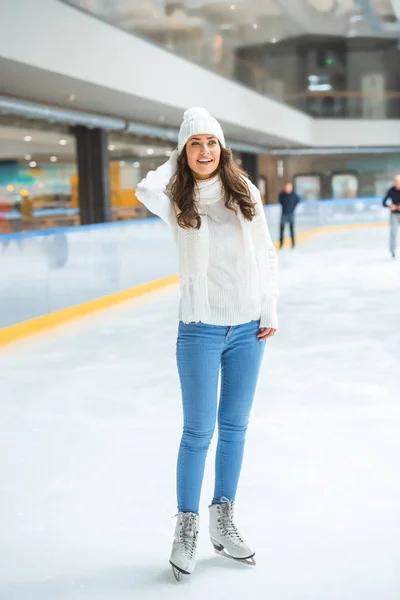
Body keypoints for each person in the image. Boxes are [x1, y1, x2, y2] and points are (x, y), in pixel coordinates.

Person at [136, 107, 278, 581]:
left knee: (234, 428)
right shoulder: (176, 197)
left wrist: (268, 308)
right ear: (184, 151)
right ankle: (187, 527)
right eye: (194, 144)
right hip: (198, 326)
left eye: (211, 142)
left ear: (223, 148)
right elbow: (144, 187)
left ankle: (223, 520)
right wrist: (177, 154)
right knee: (198, 432)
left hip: (247, 327)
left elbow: (266, 255)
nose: (204, 151)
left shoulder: (245, 193)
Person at [382, 175, 400, 258]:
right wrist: (390, 206)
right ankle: (392, 251)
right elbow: (384, 202)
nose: (398, 184)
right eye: (396, 182)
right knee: (393, 232)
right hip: (394, 215)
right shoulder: (391, 190)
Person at [278, 182, 300, 248]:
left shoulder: (294, 195)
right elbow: (280, 200)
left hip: (291, 214)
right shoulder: (282, 195)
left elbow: (298, 200)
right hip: (284, 214)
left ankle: (293, 243)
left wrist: (293, 208)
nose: (288, 189)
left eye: (289, 187)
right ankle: (281, 244)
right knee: (282, 229)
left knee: (291, 229)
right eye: (287, 187)